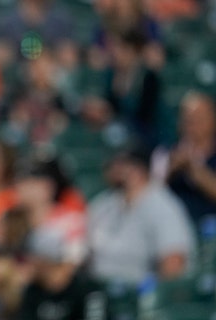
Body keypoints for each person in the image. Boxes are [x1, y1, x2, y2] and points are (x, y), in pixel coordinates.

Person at [87, 147, 196, 286]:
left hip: (136, 293)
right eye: (114, 164)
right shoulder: (104, 203)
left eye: (124, 164)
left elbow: (173, 263)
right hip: (98, 287)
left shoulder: (163, 206)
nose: (116, 169)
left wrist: (153, 299)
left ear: (141, 169)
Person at [162, 91, 216, 229]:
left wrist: (193, 169)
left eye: (199, 118)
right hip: (173, 226)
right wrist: (171, 171)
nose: (192, 124)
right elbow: (150, 196)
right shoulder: (164, 152)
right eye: (188, 119)